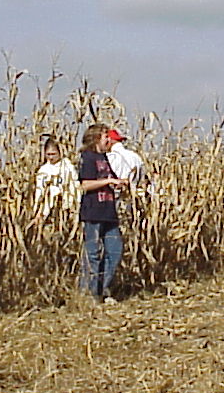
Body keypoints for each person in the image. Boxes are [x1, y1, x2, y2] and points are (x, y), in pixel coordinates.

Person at [78, 123, 129, 304]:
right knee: (92, 254)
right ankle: (88, 295)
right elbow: (85, 184)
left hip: (109, 212)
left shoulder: (104, 158)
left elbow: (109, 179)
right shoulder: (88, 158)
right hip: (93, 212)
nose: (109, 139)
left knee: (114, 251)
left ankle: (101, 289)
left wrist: (119, 183)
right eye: (105, 136)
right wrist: (108, 181)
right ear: (95, 138)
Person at [33, 136, 80, 221]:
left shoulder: (68, 168)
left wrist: (74, 208)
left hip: (65, 210)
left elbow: (75, 188)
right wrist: (38, 211)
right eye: (48, 154)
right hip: (47, 212)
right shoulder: (43, 170)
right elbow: (39, 191)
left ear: (60, 152)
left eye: (53, 154)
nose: (51, 157)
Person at [105, 129, 151, 194]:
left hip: (119, 193)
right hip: (136, 193)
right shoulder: (135, 155)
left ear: (110, 141)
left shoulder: (110, 157)